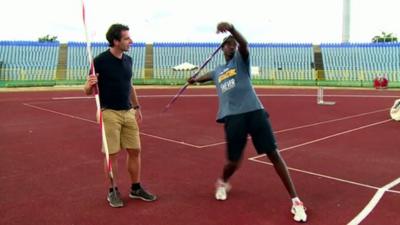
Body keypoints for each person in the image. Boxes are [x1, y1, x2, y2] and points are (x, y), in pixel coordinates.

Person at [187, 22, 307, 222]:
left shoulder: (241, 61)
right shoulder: (218, 71)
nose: (232, 46)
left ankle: (296, 201)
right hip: (233, 117)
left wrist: (232, 29)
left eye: (234, 44)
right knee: (234, 161)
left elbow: (244, 44)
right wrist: (195, 79)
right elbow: (205, 77)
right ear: (222, 48)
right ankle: (223, 182)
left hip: (255, 112)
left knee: (273, 153)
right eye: (228, 44)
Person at [84, 23, 156, 208]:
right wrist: (89, 84)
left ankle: (136, 187)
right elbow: (87, 90)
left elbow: (130, 85)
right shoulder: (99, 61)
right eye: (126, 38)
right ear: (115, 41)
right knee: (112, 154)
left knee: (135, 151)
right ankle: (113, 190)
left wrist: (137, 106)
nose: (131, 41)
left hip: (128, 112)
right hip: (109, 113)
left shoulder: (128, 60)